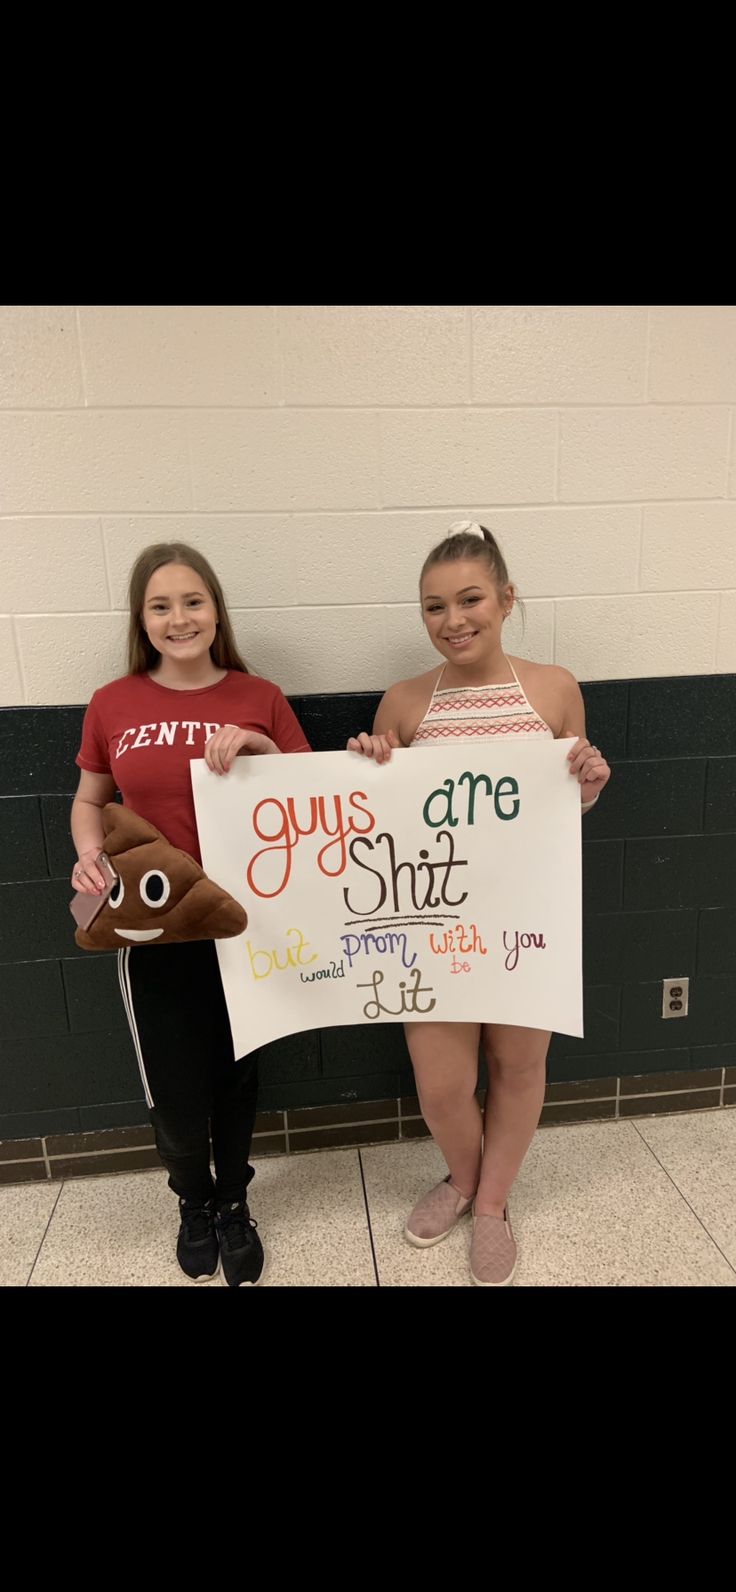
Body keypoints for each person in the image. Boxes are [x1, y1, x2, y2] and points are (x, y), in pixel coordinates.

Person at [348, 521, 611, 1287]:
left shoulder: (555, 688)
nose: (453, 620)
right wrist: (367, 767)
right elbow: (381, 818)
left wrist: (589, 784)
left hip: (529, 920)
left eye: (469, 600)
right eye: (434, 607)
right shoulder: (402, 701)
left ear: (505, 599)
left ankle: (492, 1204)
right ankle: (461, 1177)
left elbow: (568, 805)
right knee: (440, 1084)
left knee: (518, 1067)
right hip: (432, 926)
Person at [71, 542, 310, 1286]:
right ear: (142, 620)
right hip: (154, 929)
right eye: (161, 606)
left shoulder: (258, 693)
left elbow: (310, 795)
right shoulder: (114, 702)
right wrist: (90, 856)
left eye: (193, 601)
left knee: (237, 1076)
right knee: (174, 1086)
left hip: (242, 922)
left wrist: (265, 746)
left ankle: (234, 1200)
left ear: (216, 610)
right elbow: (90, 800)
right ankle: (193, 1202)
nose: (180, 618)